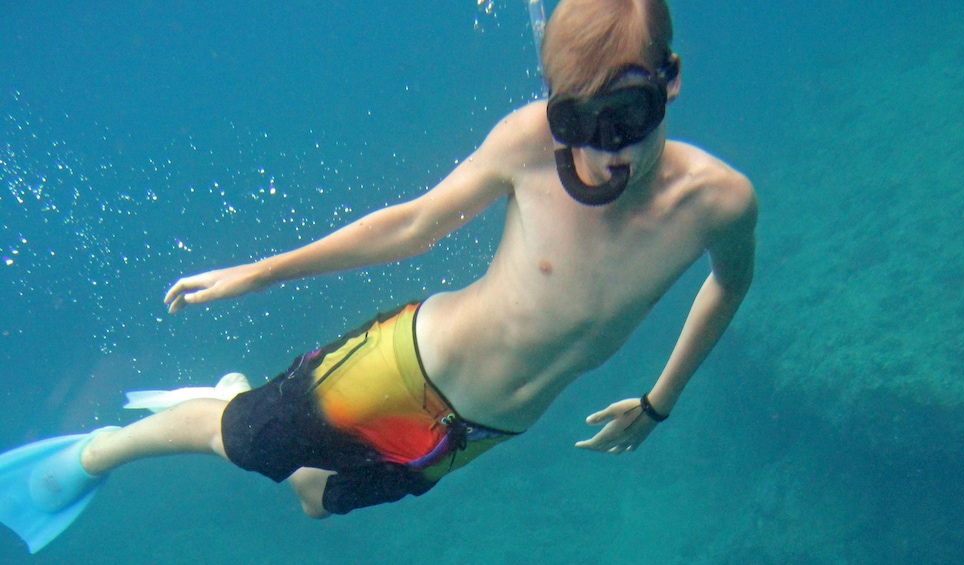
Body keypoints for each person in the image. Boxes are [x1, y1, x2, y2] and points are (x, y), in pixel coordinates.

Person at [0, 0, 756, 553]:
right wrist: (264, 273)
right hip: (408, 366)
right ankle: (97, 451)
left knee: (315, 499)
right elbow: (413, 225)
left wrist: (661, 401)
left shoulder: (719, 202)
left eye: (629, 114)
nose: (604, 154)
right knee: (246, 444)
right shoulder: (529, 146)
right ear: (553, 113)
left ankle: (236, 391)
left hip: (477, 433)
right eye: (578, 124)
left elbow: (728, 281)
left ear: (673, 81)